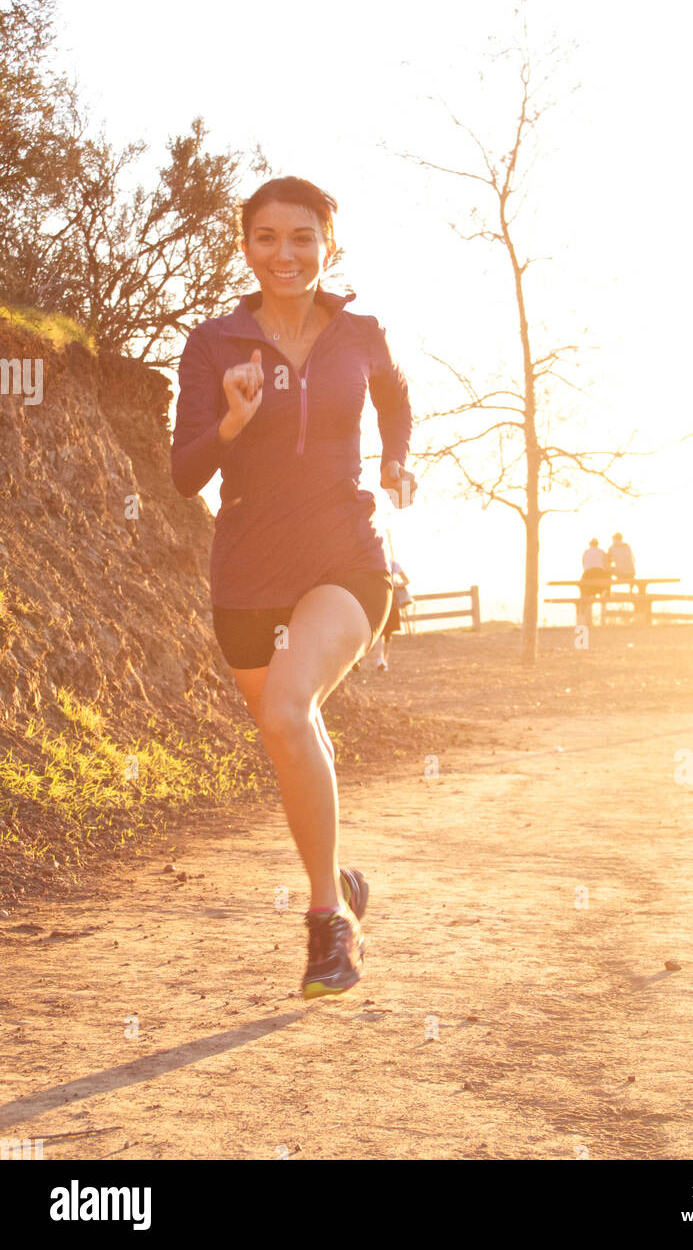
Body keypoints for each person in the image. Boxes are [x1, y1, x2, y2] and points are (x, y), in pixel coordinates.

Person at [170, 175, 416, 1001]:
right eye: (268, 237)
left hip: (347, 555)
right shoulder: (212, 344)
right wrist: (232, 421)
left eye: (303, 236)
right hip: (247, 571)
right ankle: (339, 879)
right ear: (245, 248)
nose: (287, 253)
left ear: (328, 246)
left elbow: (395, 399)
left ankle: (326, 927)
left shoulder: (362, 333)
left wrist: (395, 458)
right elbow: (182, 472)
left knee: (286, 709)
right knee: (289, 732)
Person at [372, 557, 412, 671]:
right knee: (380, 631)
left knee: (388, 634)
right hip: (379, 601)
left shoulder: (394, 565)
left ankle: (385, 661)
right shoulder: (376, 562)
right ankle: (379, 659)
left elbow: (406, 580)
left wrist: (395, 585)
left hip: (392, 603)